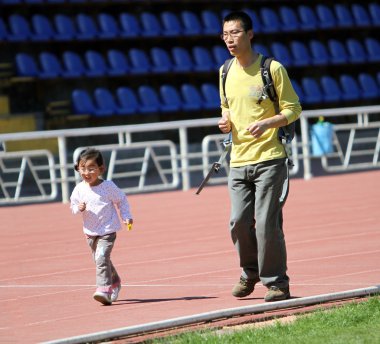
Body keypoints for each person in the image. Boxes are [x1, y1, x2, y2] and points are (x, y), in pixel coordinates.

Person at [218, 11, 302, 302]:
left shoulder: (272, 68)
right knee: (239, 222)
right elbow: (226, 106)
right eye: (225, 34)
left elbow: (293, 109)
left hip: (270, 158)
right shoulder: (225, 70)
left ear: (250, 34)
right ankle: (249, 272)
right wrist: (226, 121)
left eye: (235, 33)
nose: (230, 39)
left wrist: (267, 123)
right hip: (238, 161)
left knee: (267, 223)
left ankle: (277, 283)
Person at [70, 148, 133, 305]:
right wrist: (79, 208)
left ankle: (104, 290)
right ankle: (115, 281)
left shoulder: (108, 187)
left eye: (91, 168)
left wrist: (126, 217)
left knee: (101, 257)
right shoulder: (79, 189)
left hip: (107, 230)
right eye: (82, 168)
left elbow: (122, 199)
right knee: (100, 259)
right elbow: (72, 207)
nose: (86, 172)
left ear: (101, 169)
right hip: (90, 232)